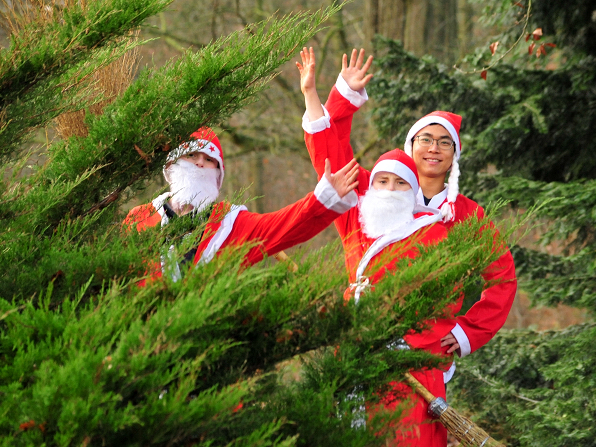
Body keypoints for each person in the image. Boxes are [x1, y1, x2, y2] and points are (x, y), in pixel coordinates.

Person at [297, 47, 517, 446]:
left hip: (421, 357)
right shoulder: (370, 197)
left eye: (444, 143)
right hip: (361, 348)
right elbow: (331, 158)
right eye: (425, 139)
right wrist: (337, 95)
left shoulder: (465, 216)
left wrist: (468, 332)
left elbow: (502, 278)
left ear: (454, 157)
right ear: (410, 146)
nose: (433, 148)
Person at [124, 127, 360, 282]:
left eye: (209, 160)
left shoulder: (232, 224)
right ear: (172, 164)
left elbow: (285, 225)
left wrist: (324, 198)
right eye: (192, 156)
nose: (199, 164)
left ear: (217, 176)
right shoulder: (139, 218)